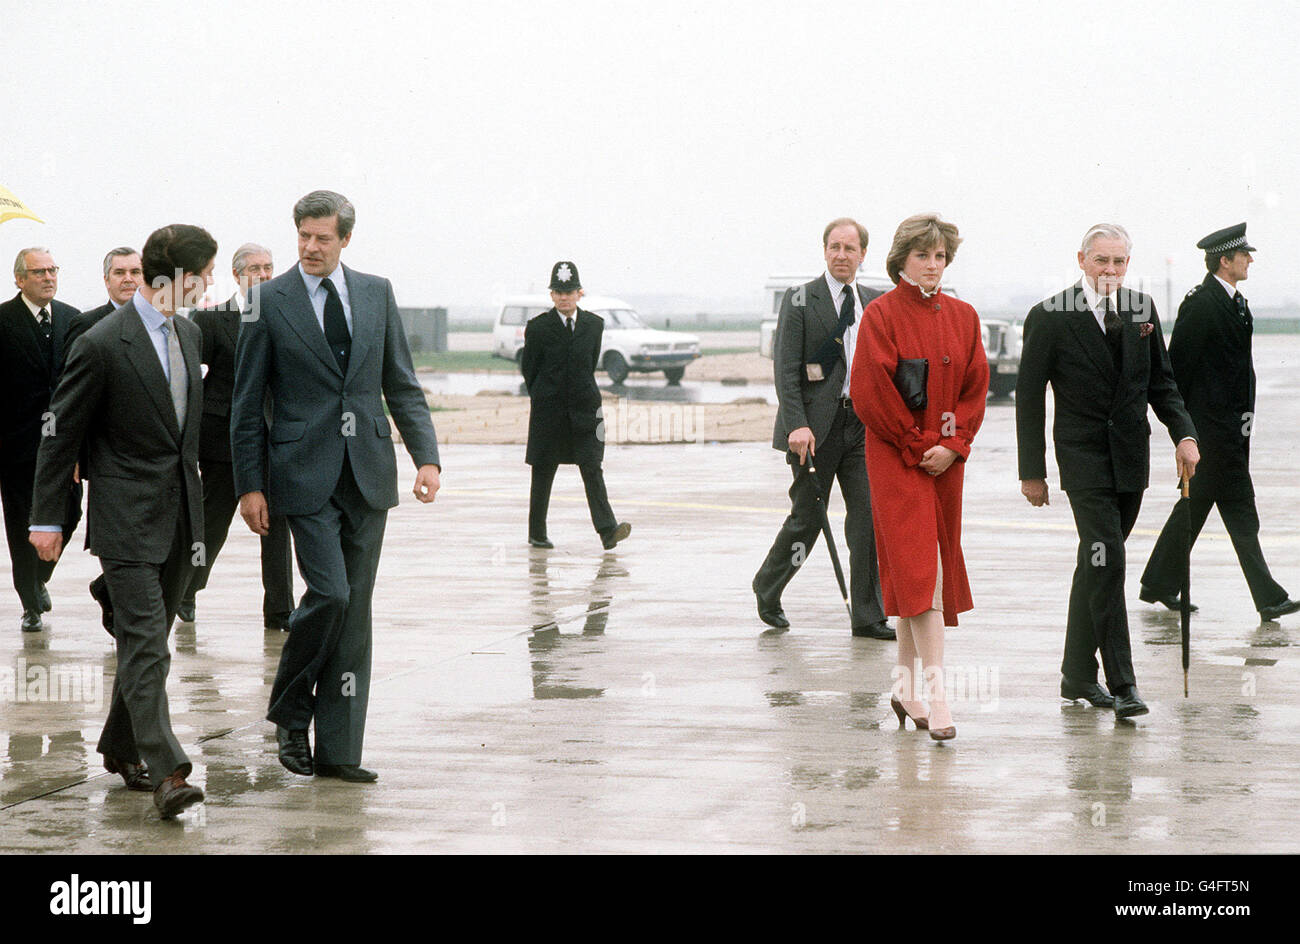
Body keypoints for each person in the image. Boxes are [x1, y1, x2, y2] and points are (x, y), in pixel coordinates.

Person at [231, 190, 441, 784]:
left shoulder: (376, 292)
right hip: (301, 473)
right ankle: (291, 711)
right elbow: (246, 406)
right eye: (303, 236)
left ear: (345, 238)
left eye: (323, 237)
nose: (311, 247)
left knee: (356, 616)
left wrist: (427, 457)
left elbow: (400, 382)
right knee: (331, 594)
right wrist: (250, 485)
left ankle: (340, 753)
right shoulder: (265, 301)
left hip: (368, 472)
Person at [28, 224, 215, 818]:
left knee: (148, 644)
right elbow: (60, 435)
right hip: (125, 518)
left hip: (183, 516)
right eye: (204, 275)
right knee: (145, 643)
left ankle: (117, 744)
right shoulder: (104, 341)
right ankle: (169, 772)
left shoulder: (189, 334)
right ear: (178, 278)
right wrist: (47, 518)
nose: (209, 285)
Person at [1017, 223, 1199, 720]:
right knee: (1109, 561)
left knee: (1095, 565)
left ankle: (1076, 675)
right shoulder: (1050, 316)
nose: (1111, 271)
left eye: (1119, 262)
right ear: (1081, 260)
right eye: (1102, 261)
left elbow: (1162, 384)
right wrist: (1032, 472)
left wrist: (1184, 435)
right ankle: (1123, 684)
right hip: (1083, 462)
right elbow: (1029, 398)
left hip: (1129, 462)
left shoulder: (1141, 309)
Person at [851, 213, 988, 740]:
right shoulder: (881, 316)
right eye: (922, 256)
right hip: (895, 459)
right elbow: (871, 393)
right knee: (922, 573)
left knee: (921, 576)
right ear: (900, 259)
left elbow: (975, 389)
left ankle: (906, 690)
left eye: (939, 257)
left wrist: (953, 446)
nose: (932, 266)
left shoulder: (964, 316)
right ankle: (939, 697)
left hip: (944, 463)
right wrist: (916, 445)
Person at [1140, 224, 1299, 623]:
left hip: (1232, 432)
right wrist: (1187, 432)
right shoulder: (1201, 304)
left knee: (1198, 511)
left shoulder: (1237, 303)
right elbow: (1176, 373)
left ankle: (1158, 583)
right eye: (1244, 255)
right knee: (1239, 512)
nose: (1250, 260)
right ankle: (1268, 597)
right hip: (1209, 434)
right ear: (1224, 260)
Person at [752, 218, 892, 639]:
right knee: (808, 519)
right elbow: (786, 369)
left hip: (860, 426)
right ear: (824, 250)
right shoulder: (799, 300)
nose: (842, 255)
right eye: (835, 247)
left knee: (867, 520)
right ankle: (768, 585)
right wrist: (796, 424)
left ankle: (868, 615)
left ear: (863, 254)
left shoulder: (873, 302)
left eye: (850, 248)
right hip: (812, 430)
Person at [179, 242, 294, 628]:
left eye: (269, 267)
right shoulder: (211, 320)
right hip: (223, 439)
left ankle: (280, 610)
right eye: (255, 269)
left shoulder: (288, 316)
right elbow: (189, 381)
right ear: (237, 275)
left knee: (276, 528)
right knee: (213, 523)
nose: (263, 275)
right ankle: (186, 591)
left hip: (276, 439)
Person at [521, 260, 631, 551]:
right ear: (551, 295)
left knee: (592, 467)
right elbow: (529, 370)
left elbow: (589, 363)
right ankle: (537, 533)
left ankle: (608, 531)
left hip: (585, 411)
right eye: (557, 291)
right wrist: (545, 396)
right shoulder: (538, 328)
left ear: (580, 293)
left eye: (569, 291)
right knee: (543, 470)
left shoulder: (595, 326)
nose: (563, 297)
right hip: (549, 412)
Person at [0, 248, 82, 632]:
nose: (48, 277)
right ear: (19, 279)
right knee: (21, 525)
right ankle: (29, 600)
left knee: (70, 513)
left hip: (64, 444)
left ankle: (41, 578)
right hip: (16, 446)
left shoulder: (73, 319)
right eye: (38, 272)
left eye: (52, 270)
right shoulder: (2, 321)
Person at [68, 247, 143, 345]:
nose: (128, 279)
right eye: (119, 273)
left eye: (135, 272)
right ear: (107, 280)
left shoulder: (158, 321)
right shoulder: (87, 325)